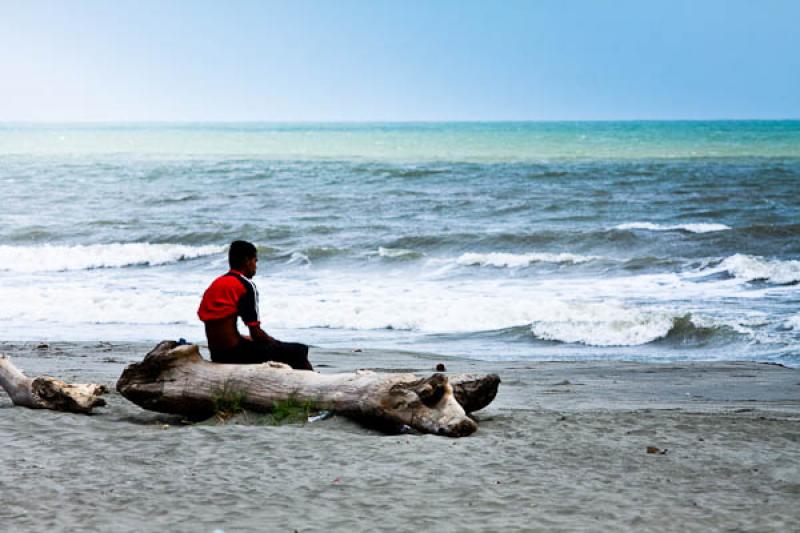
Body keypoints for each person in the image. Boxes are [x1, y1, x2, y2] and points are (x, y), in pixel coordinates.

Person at [197, 240, 313, 370]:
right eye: (255, 261)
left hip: (217, 353)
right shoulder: (244, 285)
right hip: (234, 354)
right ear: (247, 261)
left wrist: (241, 338)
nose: (255, 266)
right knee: (297, 350)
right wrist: (275, 343)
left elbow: (219, 325)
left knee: (272, 347)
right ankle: (313, 385)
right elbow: (256, 333)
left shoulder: (217, 283)